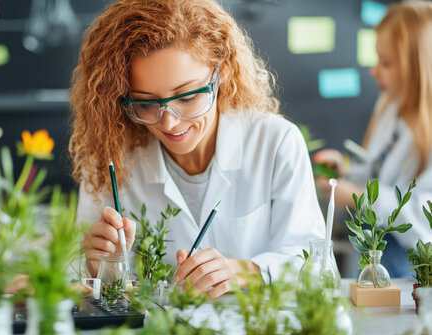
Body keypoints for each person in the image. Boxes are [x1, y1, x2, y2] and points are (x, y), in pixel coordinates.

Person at [71, 0, 325, 298]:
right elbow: (82, 281)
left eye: (187, 97)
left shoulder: (275, 143)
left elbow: (317, 266)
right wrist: (101, 265)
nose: (168, 122)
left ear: (222, 73)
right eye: (145, 103)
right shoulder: (110, 156)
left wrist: (248, 272)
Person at [314, 1, 432, 277]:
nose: (374, 70)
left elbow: (420, 217)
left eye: (387, 63)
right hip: (372, 248)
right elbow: (377, 169)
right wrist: (344, 169)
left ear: (419, 67)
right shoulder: (390, 105)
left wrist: (358, 198)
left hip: (410, 264)